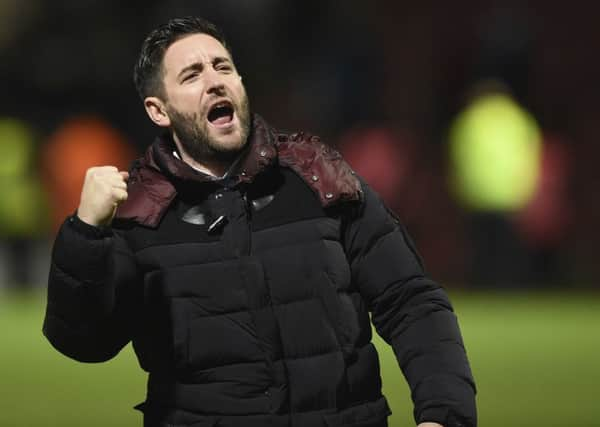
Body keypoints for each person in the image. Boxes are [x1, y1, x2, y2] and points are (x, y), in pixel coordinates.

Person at [43, 16, 477, 427]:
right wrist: (86, 233)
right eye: (192, 75)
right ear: (159, 110)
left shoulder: (318, 178)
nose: (214, 80)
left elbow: (411, 301)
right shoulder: (139, 216)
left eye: (223, 67)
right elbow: (85, 342)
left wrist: (444, 413)